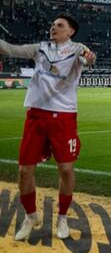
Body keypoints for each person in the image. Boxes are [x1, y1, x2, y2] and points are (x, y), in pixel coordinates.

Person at [2, 14, 97, 241]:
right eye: (53, 24)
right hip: (36, 114)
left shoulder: (77, 48)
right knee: (25, 169)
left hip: (64, 116)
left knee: (65, 168)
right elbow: (11, 49)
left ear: (71, 31)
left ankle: (62, 217)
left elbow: (88, 60)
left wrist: (90, 58)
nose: (54, 27)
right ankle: (31, 216)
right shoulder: (40, 48)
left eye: (59, 25)